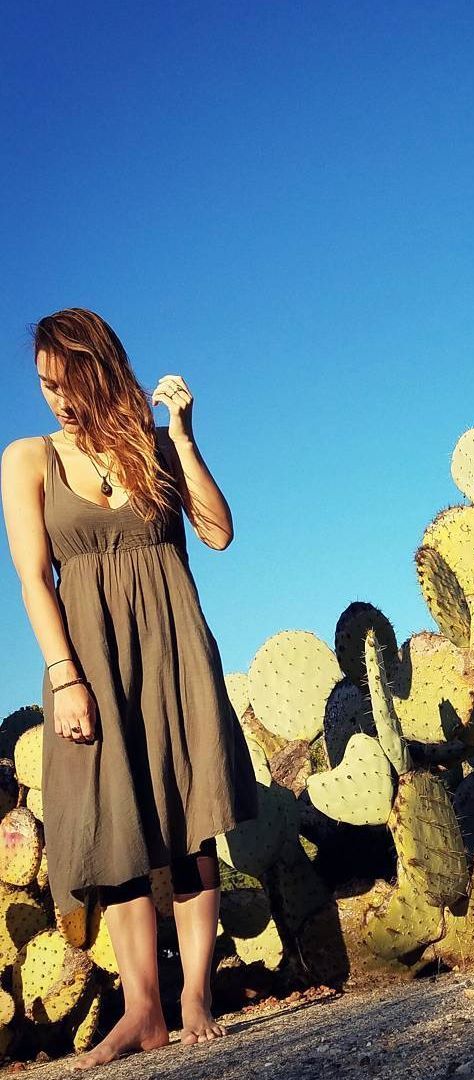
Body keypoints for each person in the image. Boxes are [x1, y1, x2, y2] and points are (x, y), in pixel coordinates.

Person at [0, 308, 260, 1069]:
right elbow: (33, 577)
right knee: (113, 825)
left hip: (173, 645)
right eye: (44, 384)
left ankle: (194, 997)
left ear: (101, 370)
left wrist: (183, 437)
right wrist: (65, 677)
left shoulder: (153, 448)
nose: (56, 398)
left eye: (68, 381)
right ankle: (143, 1011)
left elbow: (218, 532)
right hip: (87, 657)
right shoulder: (28, 458)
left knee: (189, 817)